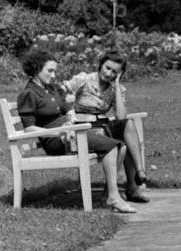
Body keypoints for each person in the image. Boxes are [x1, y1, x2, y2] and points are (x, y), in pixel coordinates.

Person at [16, 49, 137, 214]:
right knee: (112, 147)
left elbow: (67, 107)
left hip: (72, 132)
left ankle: (109, 193)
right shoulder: (29, 94)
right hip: (57, 141)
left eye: (54, 71)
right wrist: (60, 132)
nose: (53, 75)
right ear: (37, 69)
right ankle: (114, 197)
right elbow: (29, 128)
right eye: (50, 71)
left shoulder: (51, 88)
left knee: (120, 147)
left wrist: (71, 118)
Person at [61, 51, 150, 206]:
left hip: (103, 127)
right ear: (101, 65)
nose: (109, 74)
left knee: (127, 124)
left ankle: (137, 175)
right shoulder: (84, 79)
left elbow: (121, 116)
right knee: (122, 142)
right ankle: (131, 185)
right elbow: (59, 93)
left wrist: (116, 87)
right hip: (84, 130)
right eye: (107, 68)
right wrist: (69, 112)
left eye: (114, 72)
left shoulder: (117, 88)